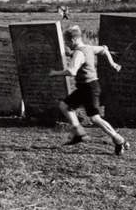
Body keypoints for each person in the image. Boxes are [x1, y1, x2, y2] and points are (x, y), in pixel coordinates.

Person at [49, 25, 130, 155]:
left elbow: (72, 71)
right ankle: (78, 132)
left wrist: (55, 73)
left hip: (89, 88)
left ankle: (119, 140)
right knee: (65, 106)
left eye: (67, 42)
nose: (67, 45)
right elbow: (104, 49)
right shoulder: (89, 48)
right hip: (84, 87)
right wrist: (113, 64)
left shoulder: (79, 53)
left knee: (95, 118)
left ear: (74, 40)